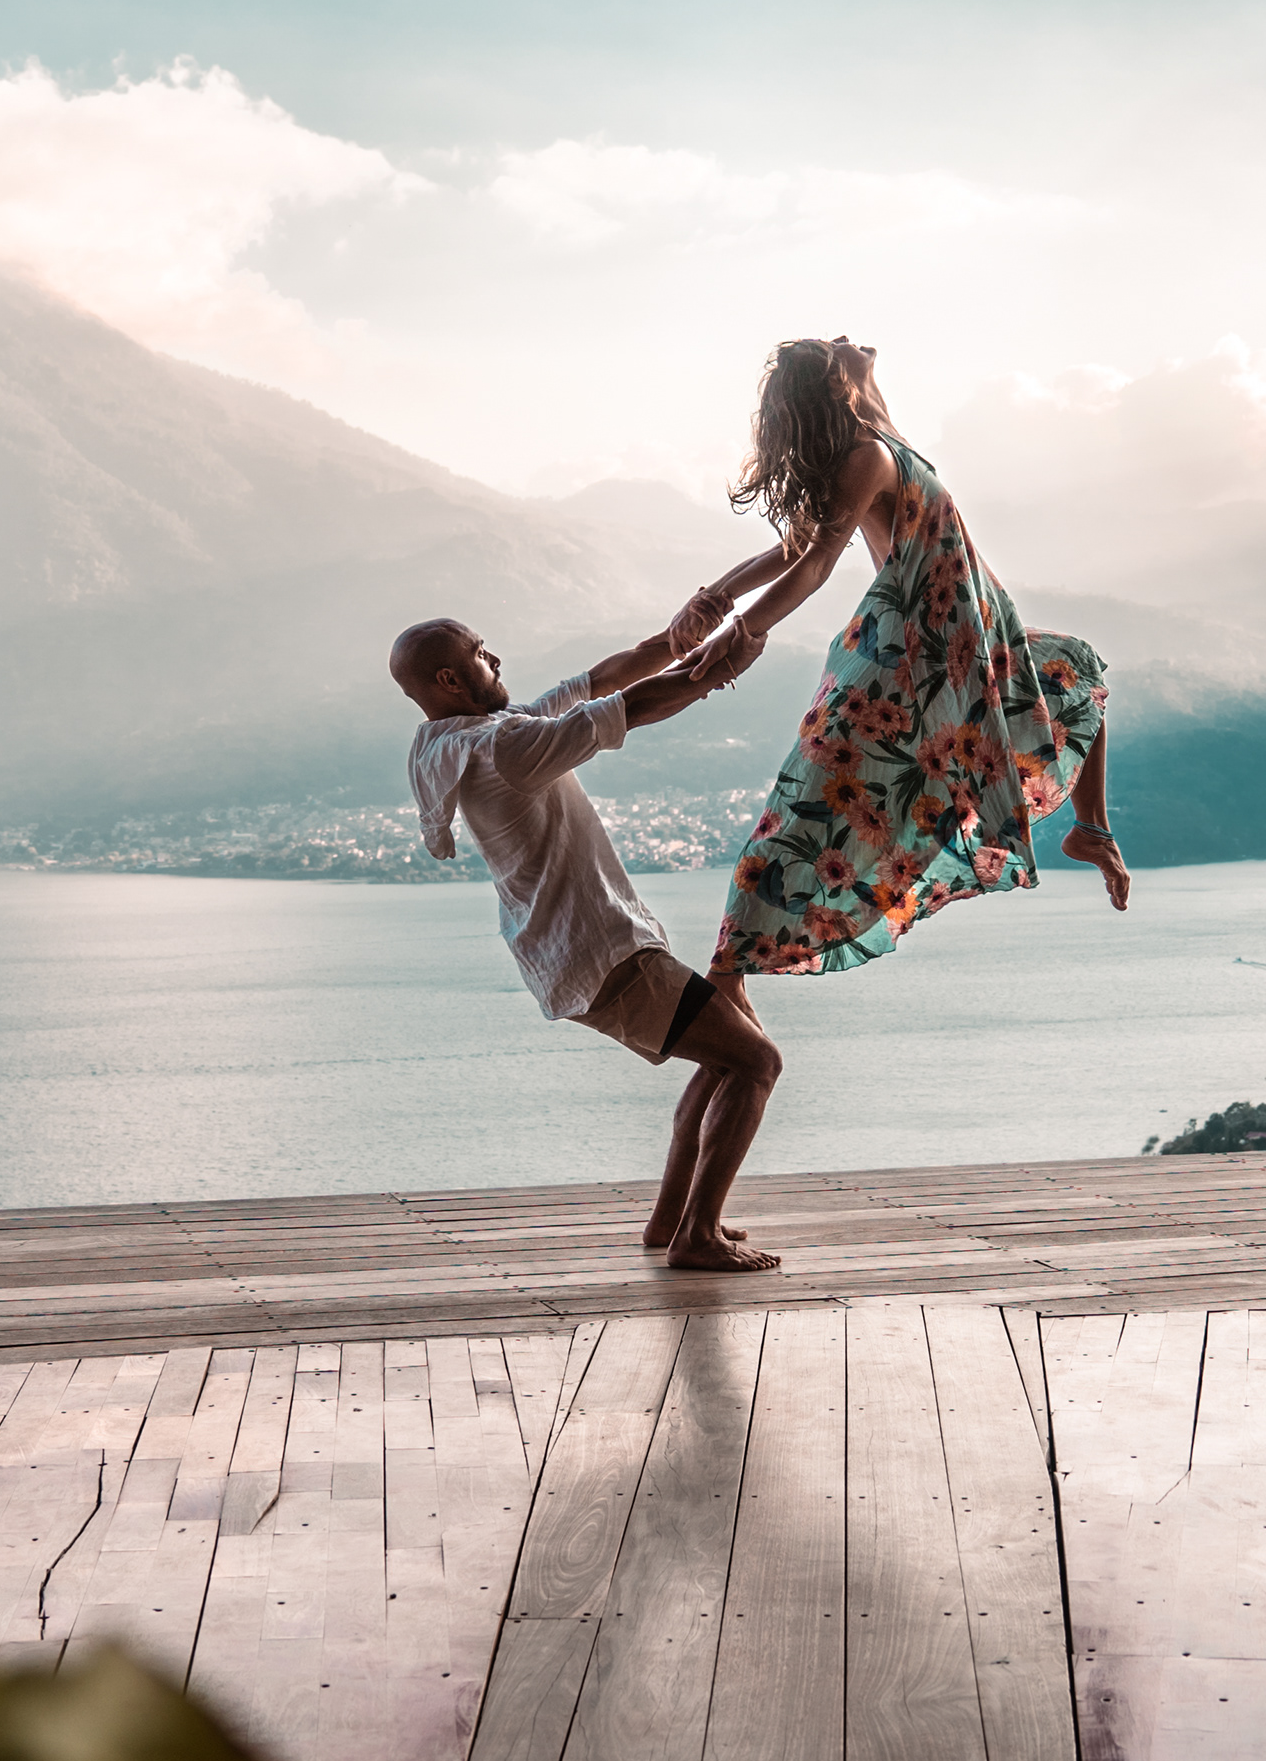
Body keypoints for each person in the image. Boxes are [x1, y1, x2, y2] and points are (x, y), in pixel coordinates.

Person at [683, 335, 1125, 990]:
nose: (845, 339)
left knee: (1074, 678)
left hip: (975, 636)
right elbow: (814, 556)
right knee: (818, 799)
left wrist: (723, 596)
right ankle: (734, 960)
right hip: (918, 655)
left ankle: (1093, 833)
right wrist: (737, 614)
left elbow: (806, 537)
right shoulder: (866, 457)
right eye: (833, 347)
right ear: (838, 385)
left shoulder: (880, 436)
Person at [392, 608, 789, 1271]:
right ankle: (697, 1236)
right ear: (450, 679)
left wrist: (677, 640)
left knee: (727, 1060)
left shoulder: (454, 739)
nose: (498, 662)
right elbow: (626, 706)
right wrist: (709, 674)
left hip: (584, 956)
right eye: (483, 654)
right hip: (607, 956)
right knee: (756, 1064)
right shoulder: (504, 749)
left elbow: (601, 679)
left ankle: (674, 1222)